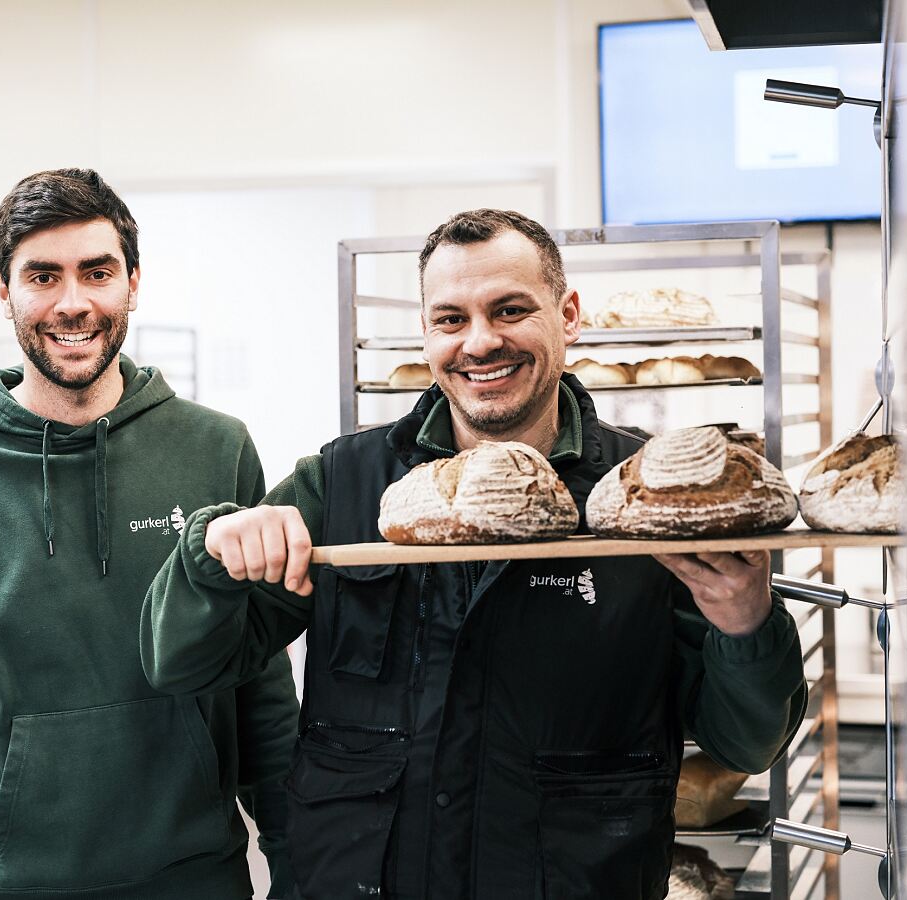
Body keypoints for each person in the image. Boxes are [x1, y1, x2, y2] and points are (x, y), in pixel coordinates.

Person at [141, 209, 807, 900]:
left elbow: (744, 745)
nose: (480, 342)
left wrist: (747, 625)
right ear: (426, 332)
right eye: (450, 319)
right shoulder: (342, 483)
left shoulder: (647, 496)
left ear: (568, 313)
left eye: (510, 310)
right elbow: (186, 666)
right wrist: (208, 554)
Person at [0, 168, 298, 900]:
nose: (72, 303)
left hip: (195, 878)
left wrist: (297, 865)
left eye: (97, 272)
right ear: (4, 290)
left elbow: (260, 686)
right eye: (42, 275)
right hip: (8, 882)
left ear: (132, 282)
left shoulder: (216, 450)